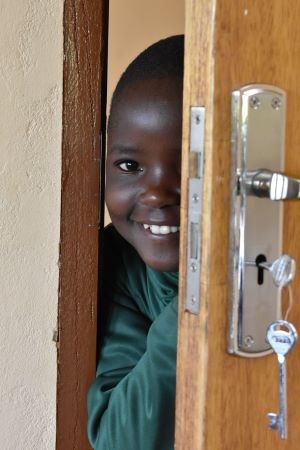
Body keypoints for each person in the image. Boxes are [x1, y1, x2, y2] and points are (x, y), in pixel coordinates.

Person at [87, 35, 184, 450]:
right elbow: (117, 439)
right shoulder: (118, 262)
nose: (158, 193)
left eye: (192, 167)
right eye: (130, 165)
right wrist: (198, 293)